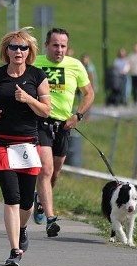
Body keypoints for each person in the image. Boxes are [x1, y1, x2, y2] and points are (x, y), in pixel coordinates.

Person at [0, 27, 51, 266]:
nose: (18, 51)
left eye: (23, 47)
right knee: (12, 197)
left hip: (27, 143)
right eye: (14, 47)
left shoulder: (37, 76)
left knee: (27, 203)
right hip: (0, 141)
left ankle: (22, 228)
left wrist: (29, 99)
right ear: (6, 50)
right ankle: (14, 250)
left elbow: (46, 110)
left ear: (29, 51)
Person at [32, 28, 94, 237]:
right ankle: (50, 218)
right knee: (46, 169)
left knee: (55, 173)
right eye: (55, 45)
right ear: (47, 45)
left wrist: (78, 116)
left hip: (64, 126)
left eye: (63, 46)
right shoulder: (35, 62)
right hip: (41, 121)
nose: (59, 49)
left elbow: (89, 94)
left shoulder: (75, 66)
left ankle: (40, 200)